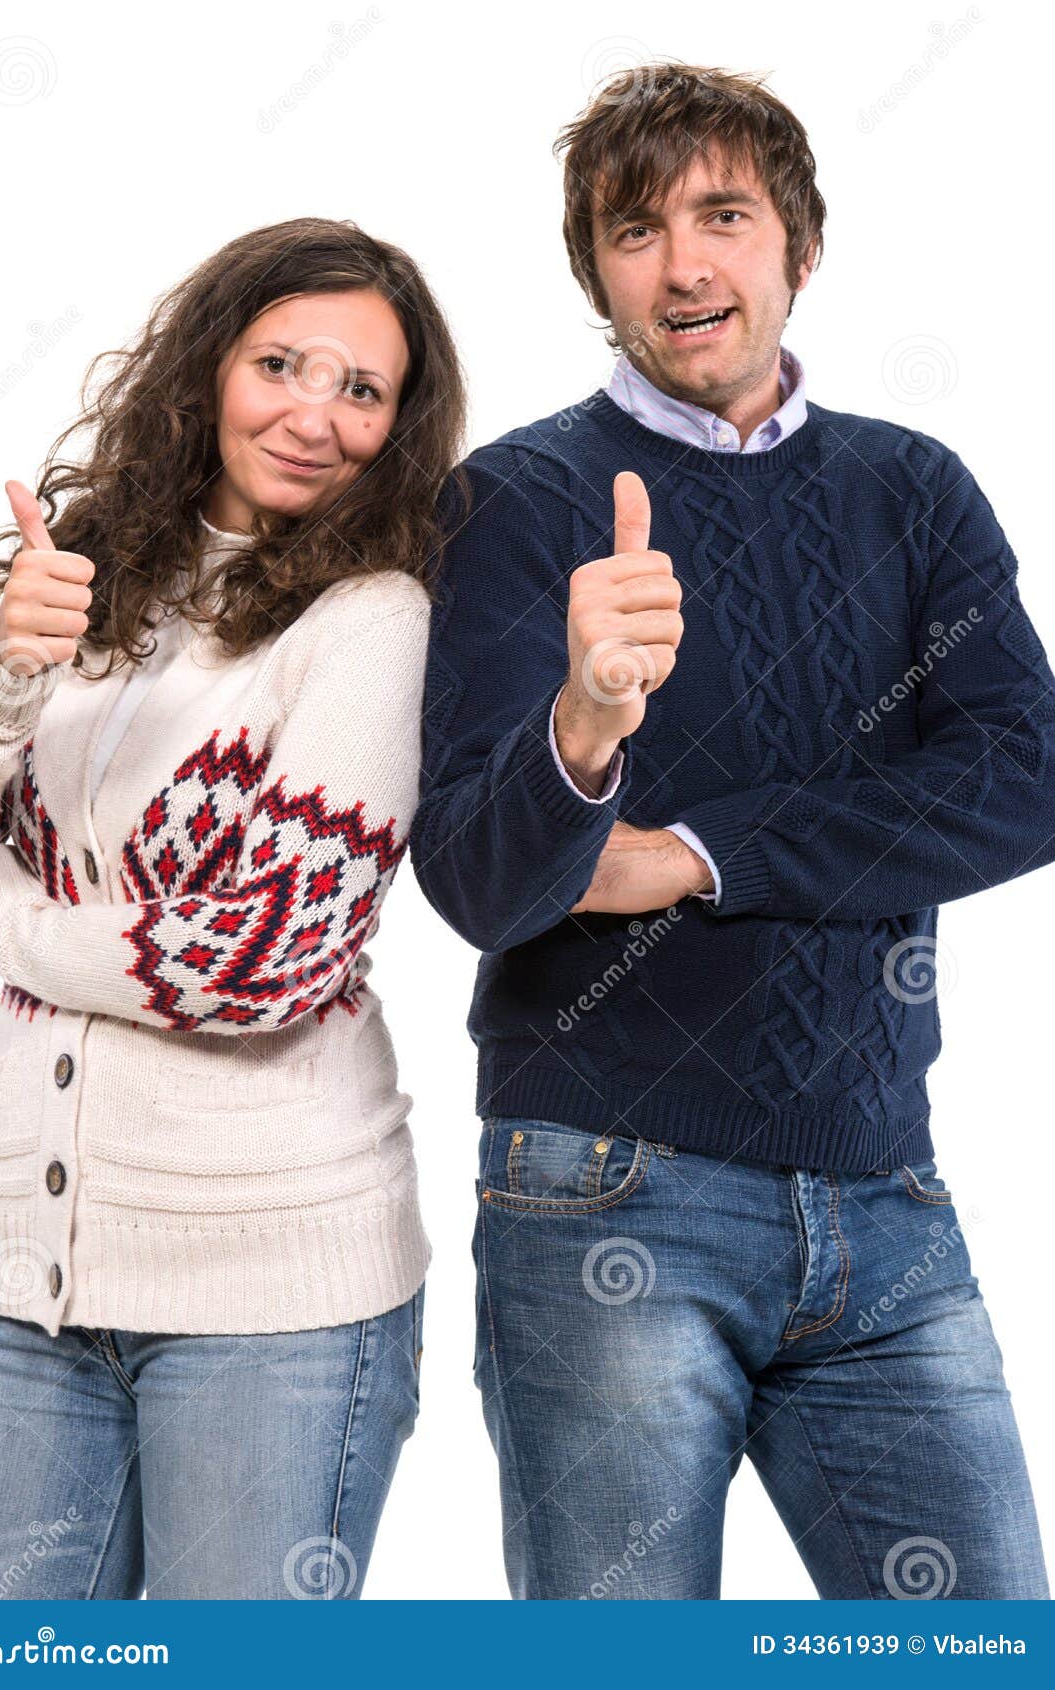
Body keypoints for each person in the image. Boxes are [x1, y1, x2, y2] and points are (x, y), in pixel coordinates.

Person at [411, 62, 1053, 1600]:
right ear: (595, 276)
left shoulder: (911, 489)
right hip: (608, 1187)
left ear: (796, 247)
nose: (684, 264)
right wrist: (581, 726)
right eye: (634, 231)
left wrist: (700, 852)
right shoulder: (516, 499)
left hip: (886, 1188)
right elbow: (483, 881)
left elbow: (1025, 776)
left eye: (722, 215)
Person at [0, 217, 465, 1600]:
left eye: (362, 391)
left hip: (277, 1299)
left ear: (398, 430)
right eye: (281, 363)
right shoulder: (86, 578)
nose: (315, 417)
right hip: (25, 1284)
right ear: (209, 366)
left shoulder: (370, 616)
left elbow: (257, 957)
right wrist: (3, 668)